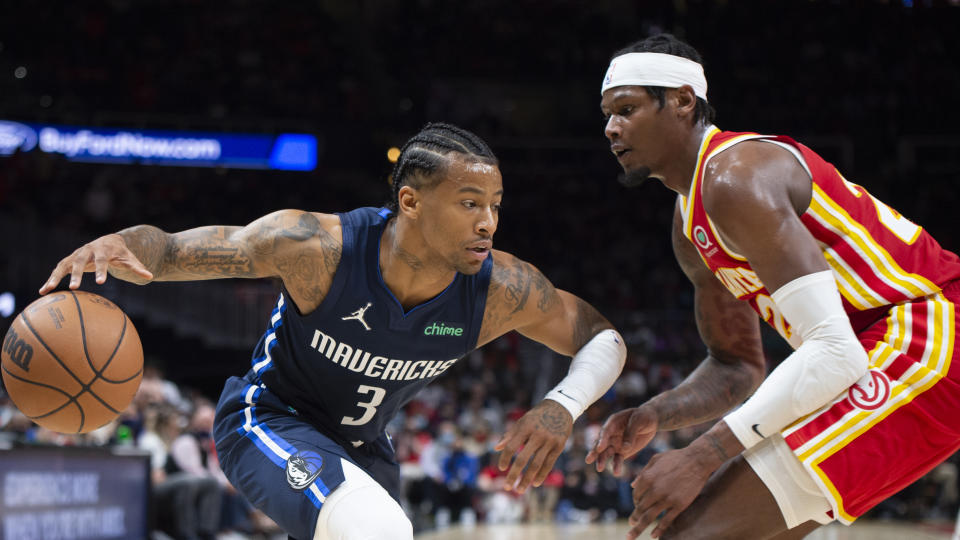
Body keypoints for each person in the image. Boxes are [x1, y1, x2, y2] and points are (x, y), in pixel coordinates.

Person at [40, 122, 627, 540]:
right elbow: (169, 251)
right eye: (471, 203)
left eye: (496, 204)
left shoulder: (502, 290)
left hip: (363, 448)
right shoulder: (315, 247)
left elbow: (603, 336)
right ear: (410, 201)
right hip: (267, 420)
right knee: (379, 531)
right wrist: (120, 243)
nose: (488, 222)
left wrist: (563, 406)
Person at [585, 34, 960, 540]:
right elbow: (737, 366)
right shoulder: (688, 223)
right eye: (607, 114)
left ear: (681, 102)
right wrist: (657, 412)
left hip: (928, 336)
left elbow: (834, 353)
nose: (611, 128)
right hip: (868, 353)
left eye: (626, 109)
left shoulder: (736, 176)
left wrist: (702, 454)